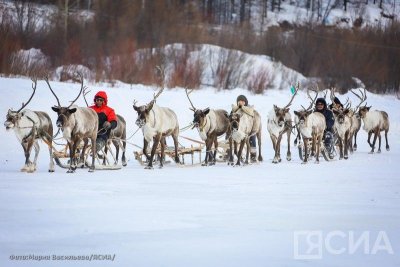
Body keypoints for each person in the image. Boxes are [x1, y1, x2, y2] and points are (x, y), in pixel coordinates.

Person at [236, 95, 257, 162]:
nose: (241, 103)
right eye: (239, 101)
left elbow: (252, 116)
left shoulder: (249, 108)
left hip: (249, 128)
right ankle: (228, 152)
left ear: (245, 102)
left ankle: (253, 155)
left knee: (252, 138)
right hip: (238, 129)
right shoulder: (236, 109)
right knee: (230, 137)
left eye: (242, 101)